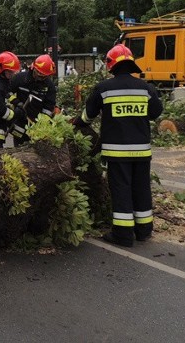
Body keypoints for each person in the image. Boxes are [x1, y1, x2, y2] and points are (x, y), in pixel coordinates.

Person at [73, 43, 163, 248]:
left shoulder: (104, 88)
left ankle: (123, 234)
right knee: (141, 188)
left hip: (117, 151)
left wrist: (77, 122)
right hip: (141, 150)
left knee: (121, 189)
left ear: (111, 65)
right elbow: (156, 112)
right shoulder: (146, 88)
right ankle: (143, 230)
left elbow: (88, 116)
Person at [8, 54, 57, 146]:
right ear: (33, 68)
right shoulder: (20, 78)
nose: (39, 78)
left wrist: (42, 123)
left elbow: (49, 107)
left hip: (36, 124)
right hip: (20, 120)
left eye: (43, 77)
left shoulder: (49, 86)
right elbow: (7, 92)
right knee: (18, 147)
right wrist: (16, 102)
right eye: (37, 74)